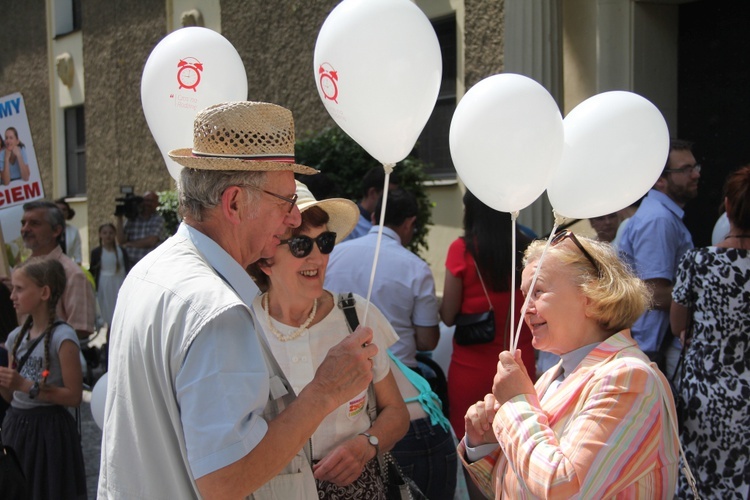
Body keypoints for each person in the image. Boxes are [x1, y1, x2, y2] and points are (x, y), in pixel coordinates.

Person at [99, 101, 377, 499]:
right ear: (233, 203)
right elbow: (224, 482)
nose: (294, 219)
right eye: (284, 202)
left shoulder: (149, 272)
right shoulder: (216, 310)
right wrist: (324, 392)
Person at [460, 232, 679, 498]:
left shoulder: (629, 377)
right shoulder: (554, 374)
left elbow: (565, 488)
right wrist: (483, 444)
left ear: (592, 297)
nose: (524, 309)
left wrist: (517, 403)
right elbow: (520, 482)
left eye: (538, 291)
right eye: (524, 295)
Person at [247, 181, 409, 498]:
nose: (318, 257)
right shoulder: (242, 328)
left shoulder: (356, 315)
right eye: (300, 246)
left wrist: (367, 445)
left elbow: (397, 413)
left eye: (324, 241)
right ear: (266, 258)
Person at [670, 165, 750, 498]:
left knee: (696, 479)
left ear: (728, 206)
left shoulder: (698, 261)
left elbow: (678, 325)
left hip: (703, 392)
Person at [439, 190, 535, 436]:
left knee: (472, 447)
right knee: (519, 443)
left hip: (471, 368)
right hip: (520, 365)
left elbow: (448, 315)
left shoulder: (461, 250)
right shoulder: (528, 248)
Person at [326, 188, 440, 371]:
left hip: (337, 369)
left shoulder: (332, 255)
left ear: (373, 218)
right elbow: (427, 341)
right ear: (410, 223)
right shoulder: (417, 269)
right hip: (399, 374)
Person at [0, 258, 86, 499]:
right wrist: (6, 383)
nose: (12, 296)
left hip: (49, 431)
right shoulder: (15, 337)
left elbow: (74, 396)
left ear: (44, 292)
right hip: (17, 428)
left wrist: (23, 385)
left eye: (19, 288)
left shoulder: (63, 337)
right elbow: (10, 395)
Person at [618, 138, 699, 378]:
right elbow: (654, 292)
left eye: (695, 167)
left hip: (652, 350)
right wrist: (705, 300)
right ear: (660, 180)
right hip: (653, 351)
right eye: (686, 169)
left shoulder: (661, 216)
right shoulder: (659, 220)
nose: (695, 175)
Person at [20, 201, 96, 340]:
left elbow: (80, 329)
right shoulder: (19, 272)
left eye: (34, 223)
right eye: (23, 223)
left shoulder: (72, 274)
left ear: (56, 230)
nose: (25, 229)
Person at [89, 223, 130, 329]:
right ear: (100, 235)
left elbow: (127, 268)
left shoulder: (122, 251)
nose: (108, 236)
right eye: (105, 233)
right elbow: (93, 270)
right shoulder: (97, 252)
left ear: (115, 234)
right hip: (104, 284)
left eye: (111, 233)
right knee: (107, 310)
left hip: (119, 282)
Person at [343, 166, 398, 242]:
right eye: (388, 194)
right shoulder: (347, 225)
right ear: (373, 193)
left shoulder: (391, 223)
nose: (393, 199)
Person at [115, 190, 165, 264]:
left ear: (156, 204)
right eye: (146, 200)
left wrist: (129, 244)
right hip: (129, 263)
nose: (147, 203)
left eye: (151, 201)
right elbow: (121, 240)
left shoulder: (158, 219)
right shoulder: (132, 219)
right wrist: (120, 218)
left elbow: (151, 241)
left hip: (148, 263)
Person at [55, 198, 83, 264]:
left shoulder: (73, 231)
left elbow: (77, 255)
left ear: (68, 213)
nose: (61, 212)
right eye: (58, 209)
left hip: (67, 268)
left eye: (64, 210)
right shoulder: (46, 229)